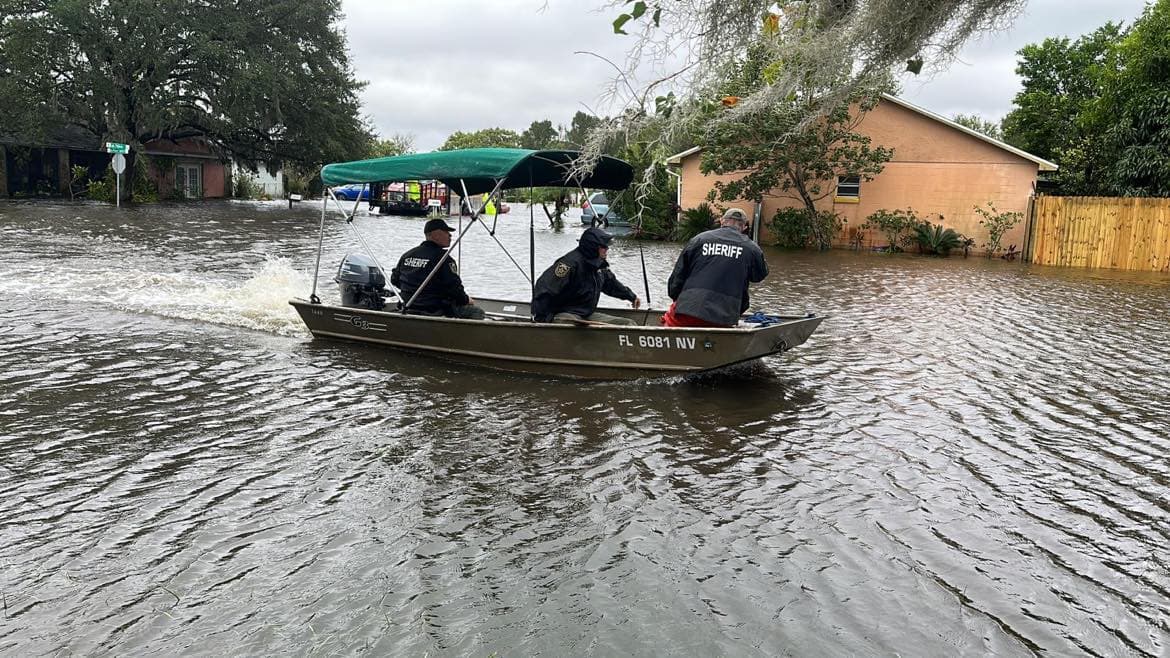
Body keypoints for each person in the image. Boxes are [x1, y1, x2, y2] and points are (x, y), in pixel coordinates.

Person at [663, 207, 768, 327]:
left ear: (722, 221)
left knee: (669, 324)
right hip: (725, 317)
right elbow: (759, 276)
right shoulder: (752, 248)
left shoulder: (699, 239)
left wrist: (680, 301)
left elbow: (676, 279)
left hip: (688, 310)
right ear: (744, 227)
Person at [532, 227, 641, 325]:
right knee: (573, 323)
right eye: (604, 246)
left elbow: (611, 285)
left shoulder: (599, 266)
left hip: (585, 314)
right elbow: (544, 289)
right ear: (593, 247)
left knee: (628, 323)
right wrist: (540, 318)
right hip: (563, 314)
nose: (607, 249)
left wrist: (631, 297)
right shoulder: (569, 264)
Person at [391, 218, 485, 320]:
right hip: (434, 309)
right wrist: (466, 300)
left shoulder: (407, 255)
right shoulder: (443, 259)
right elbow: (454, 288)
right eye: (446, 232)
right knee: (477, 312)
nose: (450, 235)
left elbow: (394, 280)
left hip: (408, 306)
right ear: (436, 235)